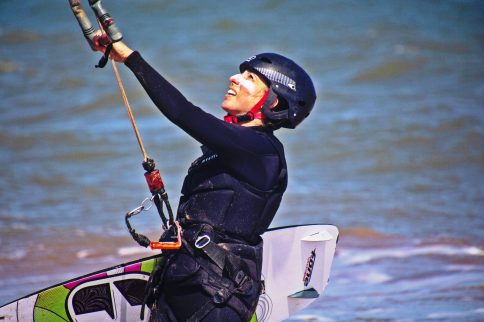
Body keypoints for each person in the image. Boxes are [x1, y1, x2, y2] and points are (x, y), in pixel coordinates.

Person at [93, 38, 316, 322]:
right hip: (186, 280)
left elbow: (183, 112)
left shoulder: (262, 151)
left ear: (273, 102)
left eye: (250, 78)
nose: (234, 78)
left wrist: (130, 58)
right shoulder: (235, 149)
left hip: (215, 294)